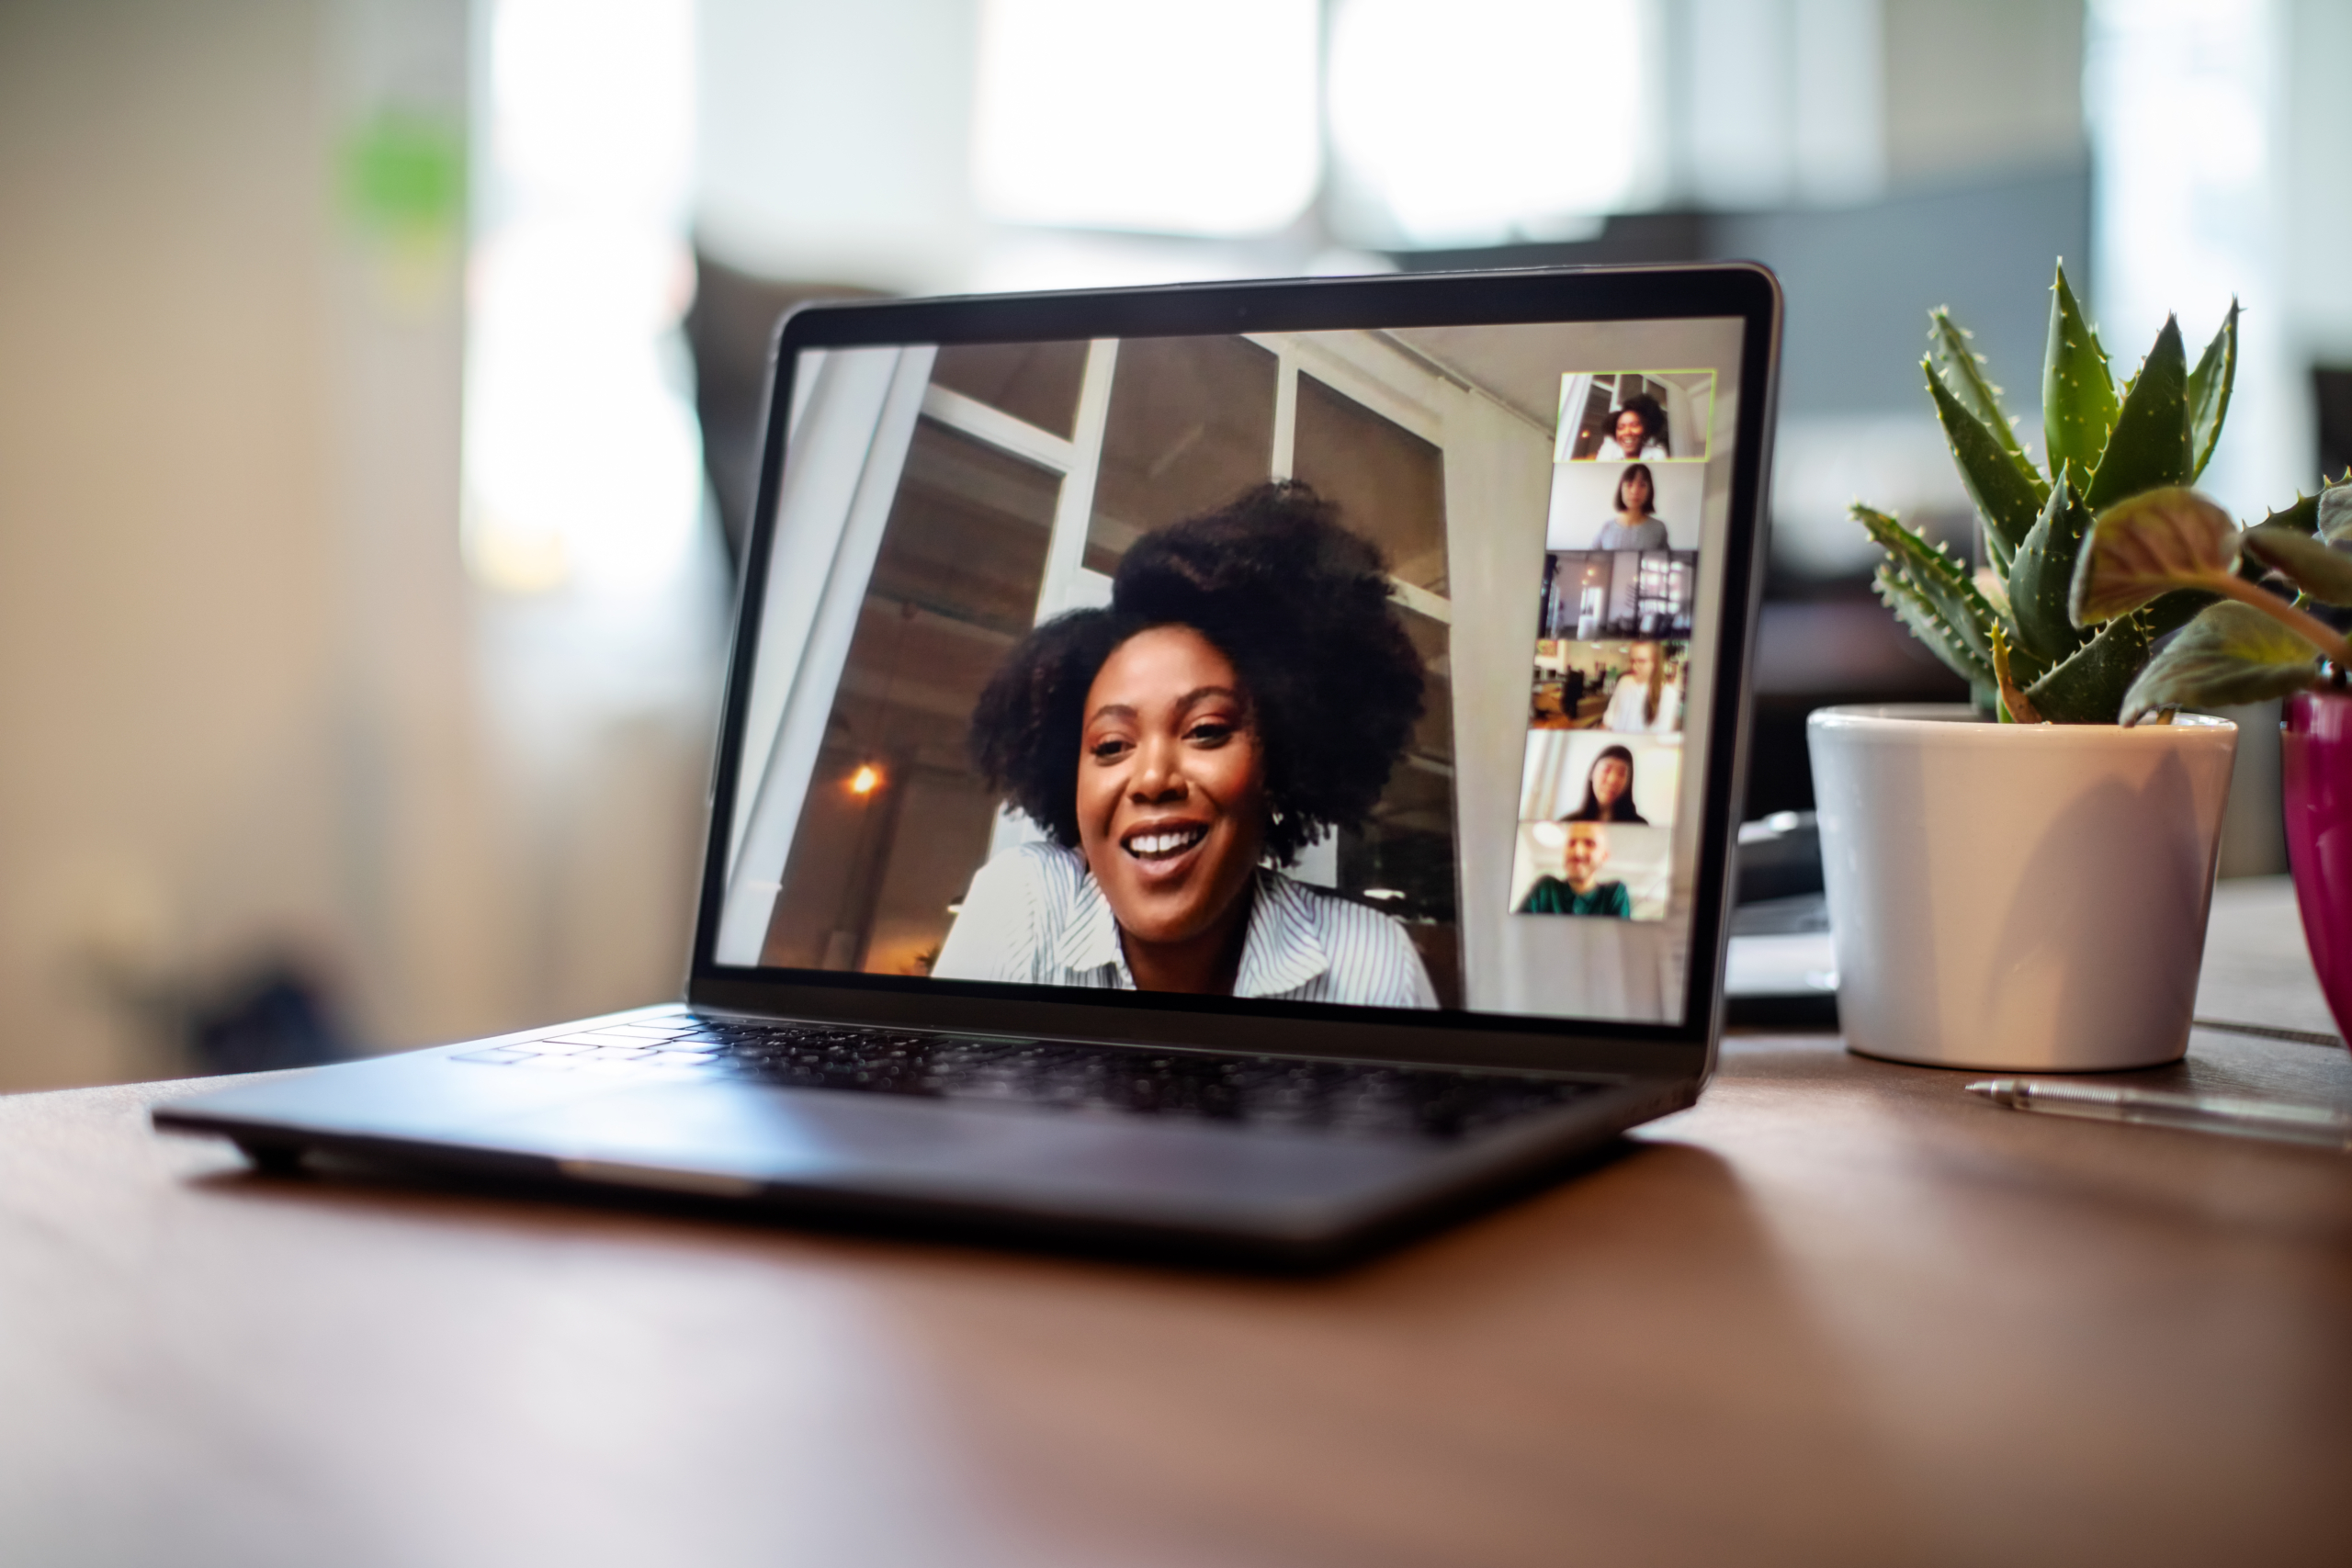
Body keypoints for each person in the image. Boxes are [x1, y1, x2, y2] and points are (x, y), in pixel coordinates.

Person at [934, 482, 1439, 1007]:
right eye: (1111, 745)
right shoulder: (1022, 909)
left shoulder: (1372, 968)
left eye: (1205, 730)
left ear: (1278, 766)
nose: (1153, 779)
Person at [1517, 821, 1633, 917]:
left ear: (1604, 857)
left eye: (1589, 843)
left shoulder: (1614, 894)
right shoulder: (1545, 888)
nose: (1577, 852)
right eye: (1571, 843)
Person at [1602, 641, 1680, 735]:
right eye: (1632, 661)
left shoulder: (1668, 694)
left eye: (1641, 661)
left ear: (1655, 663)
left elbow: (1659, 738)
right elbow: (1609, 719)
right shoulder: (1624, 681)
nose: (1634, 667)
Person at [1563, 743, 1646, 824]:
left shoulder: (1639, 826)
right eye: (1606, 770)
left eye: (1622, 773)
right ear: (1592, 772)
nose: (1612, 780)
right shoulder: (1568, 823)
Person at [1594, 463, 1668, 550]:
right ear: (1621, 489)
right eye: (1629, 485)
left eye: (1642, 485)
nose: (1635, 491)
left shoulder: (1658, 528)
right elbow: (1590, 559)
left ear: (1649, 490)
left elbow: (1665, 560)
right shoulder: (1607, 527)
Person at [1604, 393, 1669, 459]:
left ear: (1647, 429)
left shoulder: (1657, 454)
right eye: (1621, 427)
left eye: (1634, 425)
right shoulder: (1608, 451)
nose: (1627, 432)